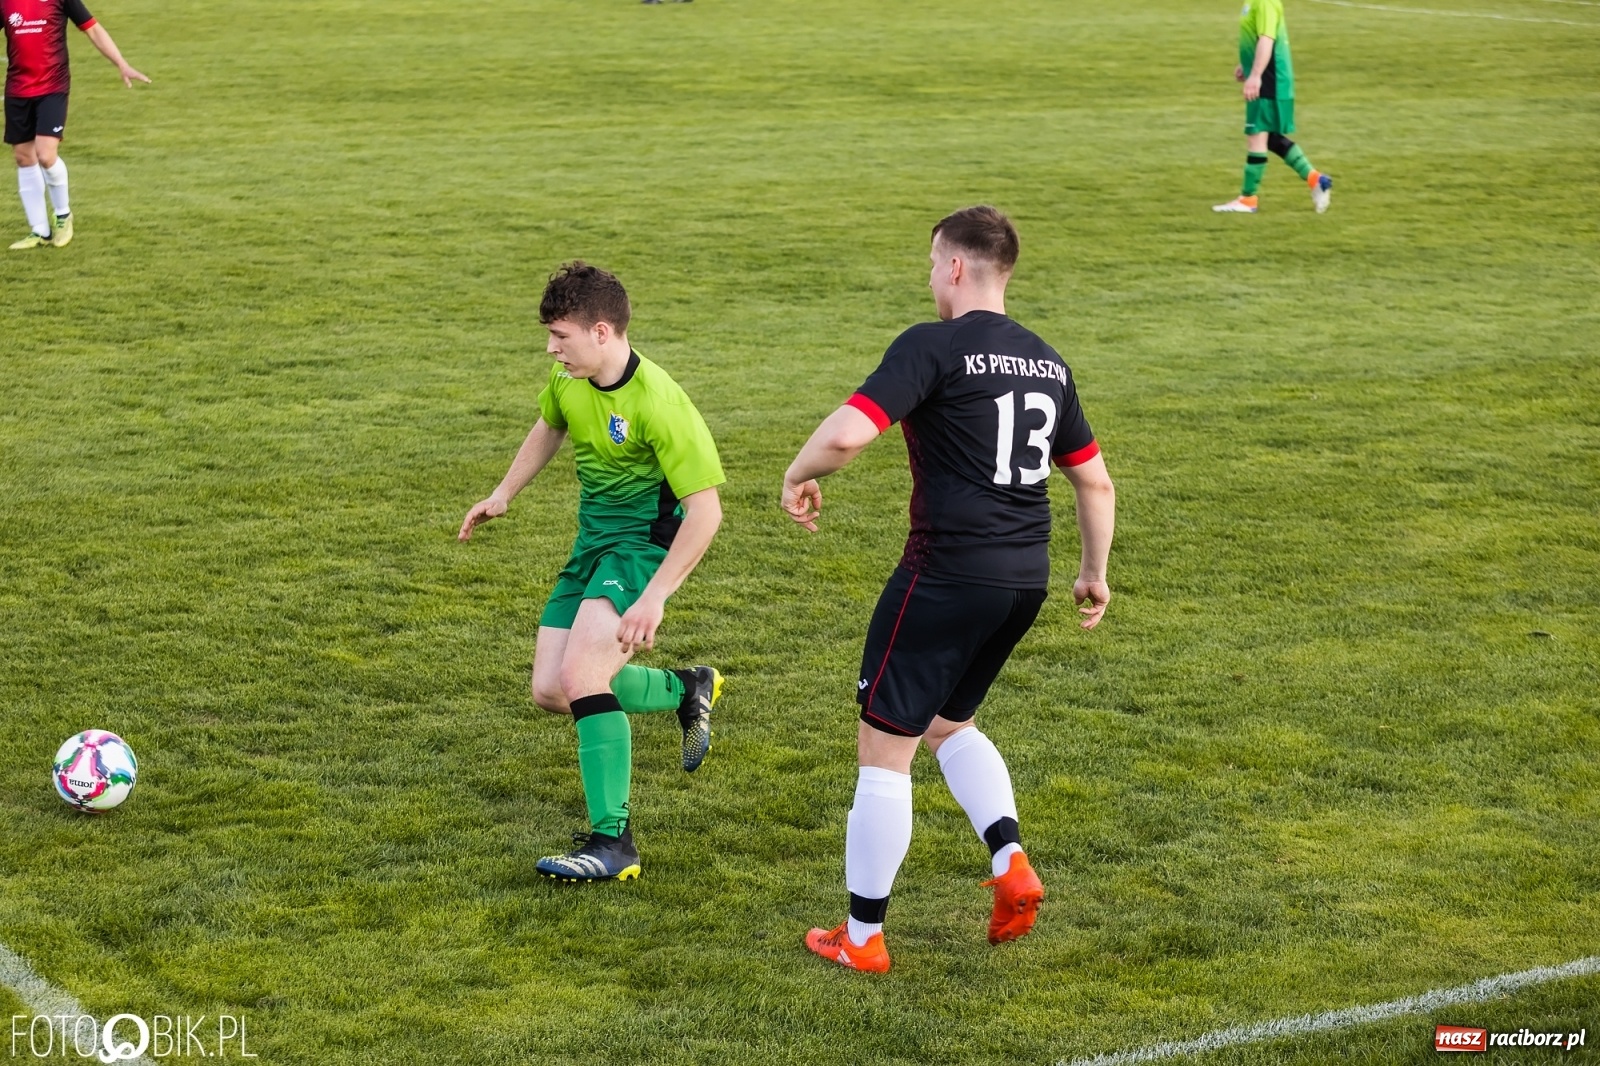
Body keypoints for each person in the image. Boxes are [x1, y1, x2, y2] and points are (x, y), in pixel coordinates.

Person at [781, 206, 1116, 972]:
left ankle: (861, 938)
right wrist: (1092, 574)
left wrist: (799, 473)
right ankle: (1009, 862)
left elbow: (845, 435)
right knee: (947, 724)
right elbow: (1093, 483)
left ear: (956, 267)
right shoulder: (1048, 362)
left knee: (883, 749)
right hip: (1022, 580)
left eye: (933, 263)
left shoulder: (932, 346)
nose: (930, 278)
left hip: (945, 574)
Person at [460, 262, 727, 883]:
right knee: (552, 689)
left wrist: (656, 596)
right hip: (592, 544)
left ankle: (615, 843)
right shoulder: (567, 378)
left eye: (561, 336)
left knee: (583, 675)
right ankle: (687, 688)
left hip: (641, 548)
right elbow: (551, 423)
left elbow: (707, 512)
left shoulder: (661, 403)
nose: (552, 349)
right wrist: (504, 492)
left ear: (601, 331)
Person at [3, 0, 148, 249]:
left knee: (46, 155)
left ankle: (63, 214)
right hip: (18, 88)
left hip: (52, 87)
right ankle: (39, 231)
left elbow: (92, 28)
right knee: (24, 157)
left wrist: (121, 63)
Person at [1213, 0, 1332, 214]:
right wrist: (1247, 65)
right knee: (1271, 138)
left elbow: (1267, 39)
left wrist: (1256, 75)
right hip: (1271, 78)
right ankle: (1317, 179)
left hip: (1270, 80)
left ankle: (1248, 199)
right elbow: (1259, 38)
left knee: (1256, 134)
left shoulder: (1265, 1)